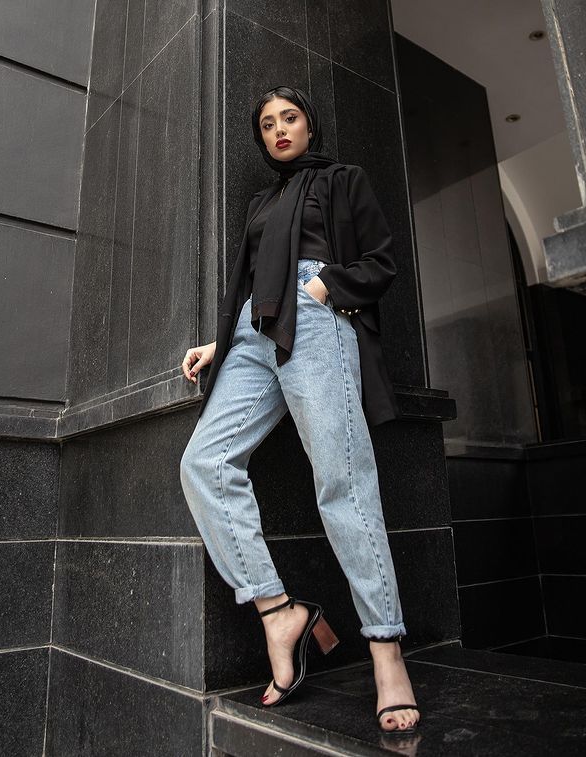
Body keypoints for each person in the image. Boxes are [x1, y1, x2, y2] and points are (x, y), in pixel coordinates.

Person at [179, 86, 420, 734]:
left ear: (309, 124)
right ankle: (279, 611)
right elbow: (248, 281)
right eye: (266, 124)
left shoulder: (342, 180)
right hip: (253, 337)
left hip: (314, 322)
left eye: (289, 117)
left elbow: (381, 262)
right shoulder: (261, 202)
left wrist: (321, 287)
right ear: (261, 139)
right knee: (204, 461)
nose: (278, 129)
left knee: (341, 481)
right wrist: (220, 340)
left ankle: (385, 651)